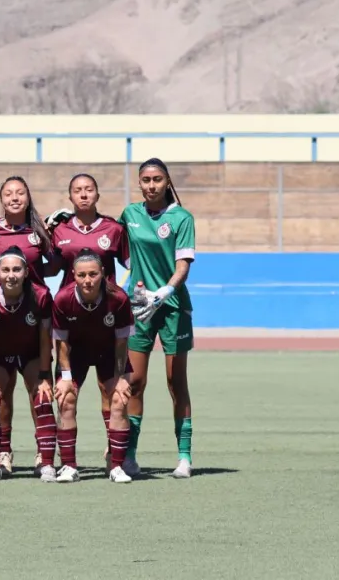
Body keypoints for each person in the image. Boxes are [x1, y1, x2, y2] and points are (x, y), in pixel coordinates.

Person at [120, 158, 196, 479]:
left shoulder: (182, 218)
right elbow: (108, 242)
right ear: (139, 183)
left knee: (175, 381)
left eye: (158, 179)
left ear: (167, 182)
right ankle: (130, 456)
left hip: (172, 307)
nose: (151, 185)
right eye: (146, 180)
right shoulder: (130, 214)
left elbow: (183, 264)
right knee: (135, 382)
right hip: (138, 307)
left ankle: (184, 456)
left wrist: (166, 290)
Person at [47, 173, 129, 460]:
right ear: (70, 197)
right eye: (77, 191)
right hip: (73, 318)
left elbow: (132, 262)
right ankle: (63, 460)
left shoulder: (114, 229)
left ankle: (113, 451)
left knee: (112, 392)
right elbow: (52, 268)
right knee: (66, 393)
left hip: (106, 318)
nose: (83, 195)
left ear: (97, 194)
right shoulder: (59, 230)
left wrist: (137, 288)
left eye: (89, 190)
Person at [0, 246, 55, 483]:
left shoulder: (41, 295)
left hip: (30, 353)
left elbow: (45, 336)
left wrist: (44, 374)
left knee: (42, 396)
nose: (11, 275)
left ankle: (45, 459)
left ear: (26, 272)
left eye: (17, 269)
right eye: (6, 270)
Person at [51, 250, 135, 484]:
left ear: (104, 275)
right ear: (73, 276)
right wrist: (66, 377)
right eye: (81, 275)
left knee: (119, 398)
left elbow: (121, 343)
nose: (87, 280)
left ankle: (117, 466)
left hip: (108, 353)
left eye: (93, 274)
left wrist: (120, 377)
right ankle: (68, 466)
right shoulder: (62, 299)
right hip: (74, 354)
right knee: (65, 399)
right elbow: (62, 344)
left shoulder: (118, 298)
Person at [0, 176, 52, 287]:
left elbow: (55, 266)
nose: (14, 198)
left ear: (28, 199)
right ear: (1, 200)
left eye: (20, 193)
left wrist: (29, 273)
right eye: (8, 194)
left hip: (33, 302)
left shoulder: (40, 229)